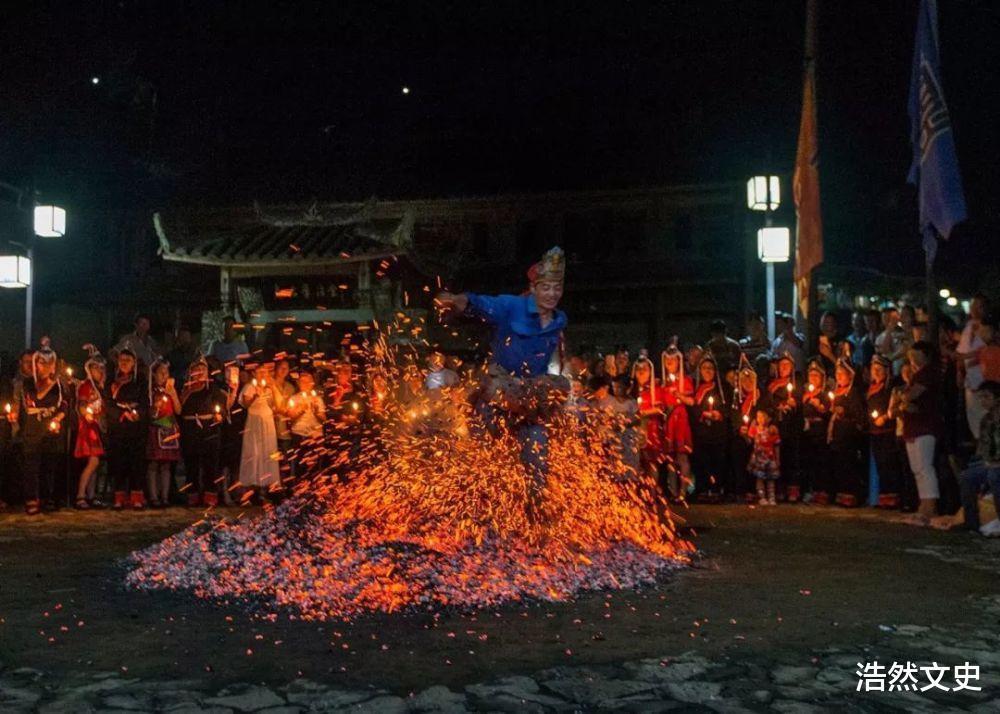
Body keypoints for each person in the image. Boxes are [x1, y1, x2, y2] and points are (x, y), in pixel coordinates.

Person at [434, 246, 569, 496]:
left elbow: (558, 362)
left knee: (537, 460)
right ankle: (477, 507)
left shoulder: (559, 321)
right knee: (485, 460)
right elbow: (479, 303)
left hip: (529, 400)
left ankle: (534, 510)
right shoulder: (512, 306)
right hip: (498, 396)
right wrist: (455, 300)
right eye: (546, 287)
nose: (552, 294)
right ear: (534, 288)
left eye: (557, 288)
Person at [17, 346, 68, 515]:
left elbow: (63, 404)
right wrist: (52, 382)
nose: (45, 366)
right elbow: (36, 398)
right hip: (34, 428)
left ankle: (48, 497)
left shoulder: (58, 385)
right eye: (42, 362)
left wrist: (58, 417)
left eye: (49, 363)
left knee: (50, 465)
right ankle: (31, 498)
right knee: (32, 465)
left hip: (51, 428)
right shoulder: (28, 382)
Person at [900, 341, 941, 522]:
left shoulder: (927, 374)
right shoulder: (916, 375)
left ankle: (930, 506)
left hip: (924, 426)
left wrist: (904, 398)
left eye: (915, 356)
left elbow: (911, 395)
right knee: (917, 468)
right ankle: (923, 504)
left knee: (925, 467)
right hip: (913, 426)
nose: (912, 360)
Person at [180, 357, 228, 507]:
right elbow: (179, 409)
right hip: (190, 430)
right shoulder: (186, 389)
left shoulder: (213, 388)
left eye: (203, 369)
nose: (200, 372)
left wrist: (221, 415)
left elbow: (222, 406)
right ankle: (192, 494)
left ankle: (210, 495)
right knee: (191, 464)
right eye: (196, 369)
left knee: (210, 464)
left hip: (209, 429)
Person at [105, 348, 148, 510]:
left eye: (127, 360)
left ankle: (137, 497)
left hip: (136, 427)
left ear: (134, 363)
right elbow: (108, 403)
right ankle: (119, 497)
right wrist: (121, 414)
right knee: (119, 462)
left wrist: (137, 414)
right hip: (118, 427)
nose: (124, 363)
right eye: (121, 360)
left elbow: (145, 402)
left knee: (136, 462)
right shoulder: (111, 380)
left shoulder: (140, 380)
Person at [958, 381, 1000, 535]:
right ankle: (971, 523)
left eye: (987, 397)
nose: (983, 401)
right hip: (990, 463)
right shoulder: (986, 421)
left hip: (997, 466)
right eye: (981, 397)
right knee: (966, 477)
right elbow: (983, 447)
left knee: (994, 476)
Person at [827, 358, 866, 507]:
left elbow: (859, 416)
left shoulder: (853, 393)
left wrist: (845, 412)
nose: (839, 376)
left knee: (848, 465)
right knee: (839, 466)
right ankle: (841, 494)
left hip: (848, 437)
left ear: (850, 376)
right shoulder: (837, 393)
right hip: (837, 436)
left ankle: (851, 495)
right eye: (837, 373)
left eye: (842, 374)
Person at [238, 365, 281, 499]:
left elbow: (279, 406)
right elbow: (245, 404)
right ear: (254, 373)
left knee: (268, 452)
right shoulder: (250, 387)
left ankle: (267, 486)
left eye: (265, 372)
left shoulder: (269, 388)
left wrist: (273, 387)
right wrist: (255, 396)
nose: (263, 374)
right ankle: (252, 486)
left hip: (267, 422)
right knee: (254, 452)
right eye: (260, 372)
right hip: (254, 423)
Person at [73, 345, 107, 509]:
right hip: (88, 428)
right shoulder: (86, 386)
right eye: (96, 368)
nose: (99, 371)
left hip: (96, 427)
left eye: (102, 368)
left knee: (96, 462)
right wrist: (87, 413)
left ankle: (91, 495)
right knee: (93, 462)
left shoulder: (100, 388)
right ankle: (80, 494)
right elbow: (81, 405)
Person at [867, 355, 903, 508]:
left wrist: (884, 417)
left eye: (879, 369)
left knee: (889, 464)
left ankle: (893, 496)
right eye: (874, 369)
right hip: (874, 431)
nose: (876, 372)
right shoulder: (871, 388)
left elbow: (893, 407)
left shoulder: (890, 388)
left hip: (887, 430)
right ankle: (883, 497)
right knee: (881, 465)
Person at [690, 354, 727, 498]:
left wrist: (719, 414)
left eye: (710, 368)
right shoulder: (696, 387)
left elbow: (726, 406)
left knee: (716, 460)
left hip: (716, 432)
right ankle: (703, 489)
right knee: (701, 460)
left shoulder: (721, 389)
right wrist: (703, 413)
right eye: (705, 368)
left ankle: (716, 489)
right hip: (701, 431)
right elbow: (693, 406)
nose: (707, 371)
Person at [660, 344, 694, 498]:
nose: (669, 364)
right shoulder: (663, 383)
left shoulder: (685, 381)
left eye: (672, 361)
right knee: (670, 458)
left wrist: (679, 395)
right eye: (667, 362)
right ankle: (673, 490)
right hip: (669, 421)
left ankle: (683, 491)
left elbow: (691, 402)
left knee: (682, 456)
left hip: (680, 419)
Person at [766, 352, 802, 501]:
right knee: (778, 457)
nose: (783, 368)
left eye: (787, 365)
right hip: (778, 425)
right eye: (781, 365)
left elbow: (801, 403)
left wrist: (795, 404)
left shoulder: (796, 383)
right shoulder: (772, 385)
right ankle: (779, 489)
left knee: (792, 457)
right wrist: (777, 407)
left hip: (792, 426)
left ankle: (793, 489)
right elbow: (768, 404)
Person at [146, 358, 182, 507]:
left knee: (166, 464)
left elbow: (179, 410)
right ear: (154, 374)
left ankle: (165, 497)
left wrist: (173, 394)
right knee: (154, 464)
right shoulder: (150, 391)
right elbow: (150, 414)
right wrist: (156, 406)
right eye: (161, 372)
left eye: (166, 372)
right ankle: (153, 497)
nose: (164, 375)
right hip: (155, 429)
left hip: (169, 430)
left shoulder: (171, 391)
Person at [956, 295, 989, 439]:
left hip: (986, 380)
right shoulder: (968, 326)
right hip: (970, 380)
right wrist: (959, 370)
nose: (975, 310)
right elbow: (961, 351)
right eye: (973, 306)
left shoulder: (989, 328)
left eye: (979, 306)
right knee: (974, 419)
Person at [800, 358, 831, 504]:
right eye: (811, 375)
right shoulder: (805, 395)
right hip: (807, 432)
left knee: (821, 462)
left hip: (820, 432)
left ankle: (822, 491)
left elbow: (829, 413)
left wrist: (820, 408)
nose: (813, 378)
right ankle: (810, 490)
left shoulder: (825, 395)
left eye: (816, 376)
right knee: (808, 462)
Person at [729, 355, 759, 501]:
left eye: (750, 379)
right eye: (744, 379)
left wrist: (755, 426)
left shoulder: (758, 395)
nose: (747, 382)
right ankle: (740, 490)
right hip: (740, 435)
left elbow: (764, 412)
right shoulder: (736, 397)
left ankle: (753, 490)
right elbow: (734, 414)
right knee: (738, 457)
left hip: (756, 435)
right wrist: (739, 428)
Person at [747, 407, 781, 505]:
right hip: (759, 458)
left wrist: (778, 459)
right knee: (760, 478)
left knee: (771, 479)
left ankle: (771, 497)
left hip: (770, 458)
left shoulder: (771, 430)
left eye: (762, 417)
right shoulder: (755, 429)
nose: (760, 419)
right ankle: (761, 497)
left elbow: (776, 445)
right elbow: (749, 440)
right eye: (758, 417)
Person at [271, 359, 296, 454]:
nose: (284, 370)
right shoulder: (270, 384)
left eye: (286, 368)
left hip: (285, 429)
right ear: (276, 369)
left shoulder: (290, 387)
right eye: (281, 367)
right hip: (271, 427)